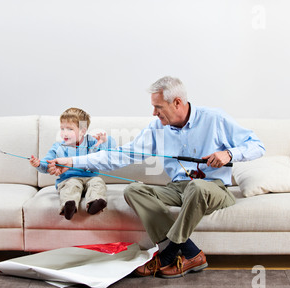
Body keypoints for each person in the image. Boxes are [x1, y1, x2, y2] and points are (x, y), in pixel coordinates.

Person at [47, 76, 265, 277]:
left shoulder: (215, 119)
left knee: (197, 187)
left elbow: (257, 146)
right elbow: (120, 156)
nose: (154, 113)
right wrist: (72, 161)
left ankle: (167, 254)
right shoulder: (157, 128)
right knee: (134, 190)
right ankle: (191, 253)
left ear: (177, 103)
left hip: (212, 188)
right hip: (177, 188)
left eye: (158, 107)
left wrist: (228, 154)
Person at [30, 107, 116, 220]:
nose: (64, 133)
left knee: (98, 182)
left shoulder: (91, 142)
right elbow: (48, 163)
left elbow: (103, 157)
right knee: (72, 185)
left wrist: (103, 142)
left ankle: (95, 203)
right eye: (62, 129)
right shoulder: (58, 147)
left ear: (82, 131)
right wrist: (39, 164)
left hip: (90, 178)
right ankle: (69, 205)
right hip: (69, 179)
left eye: (69, 129)